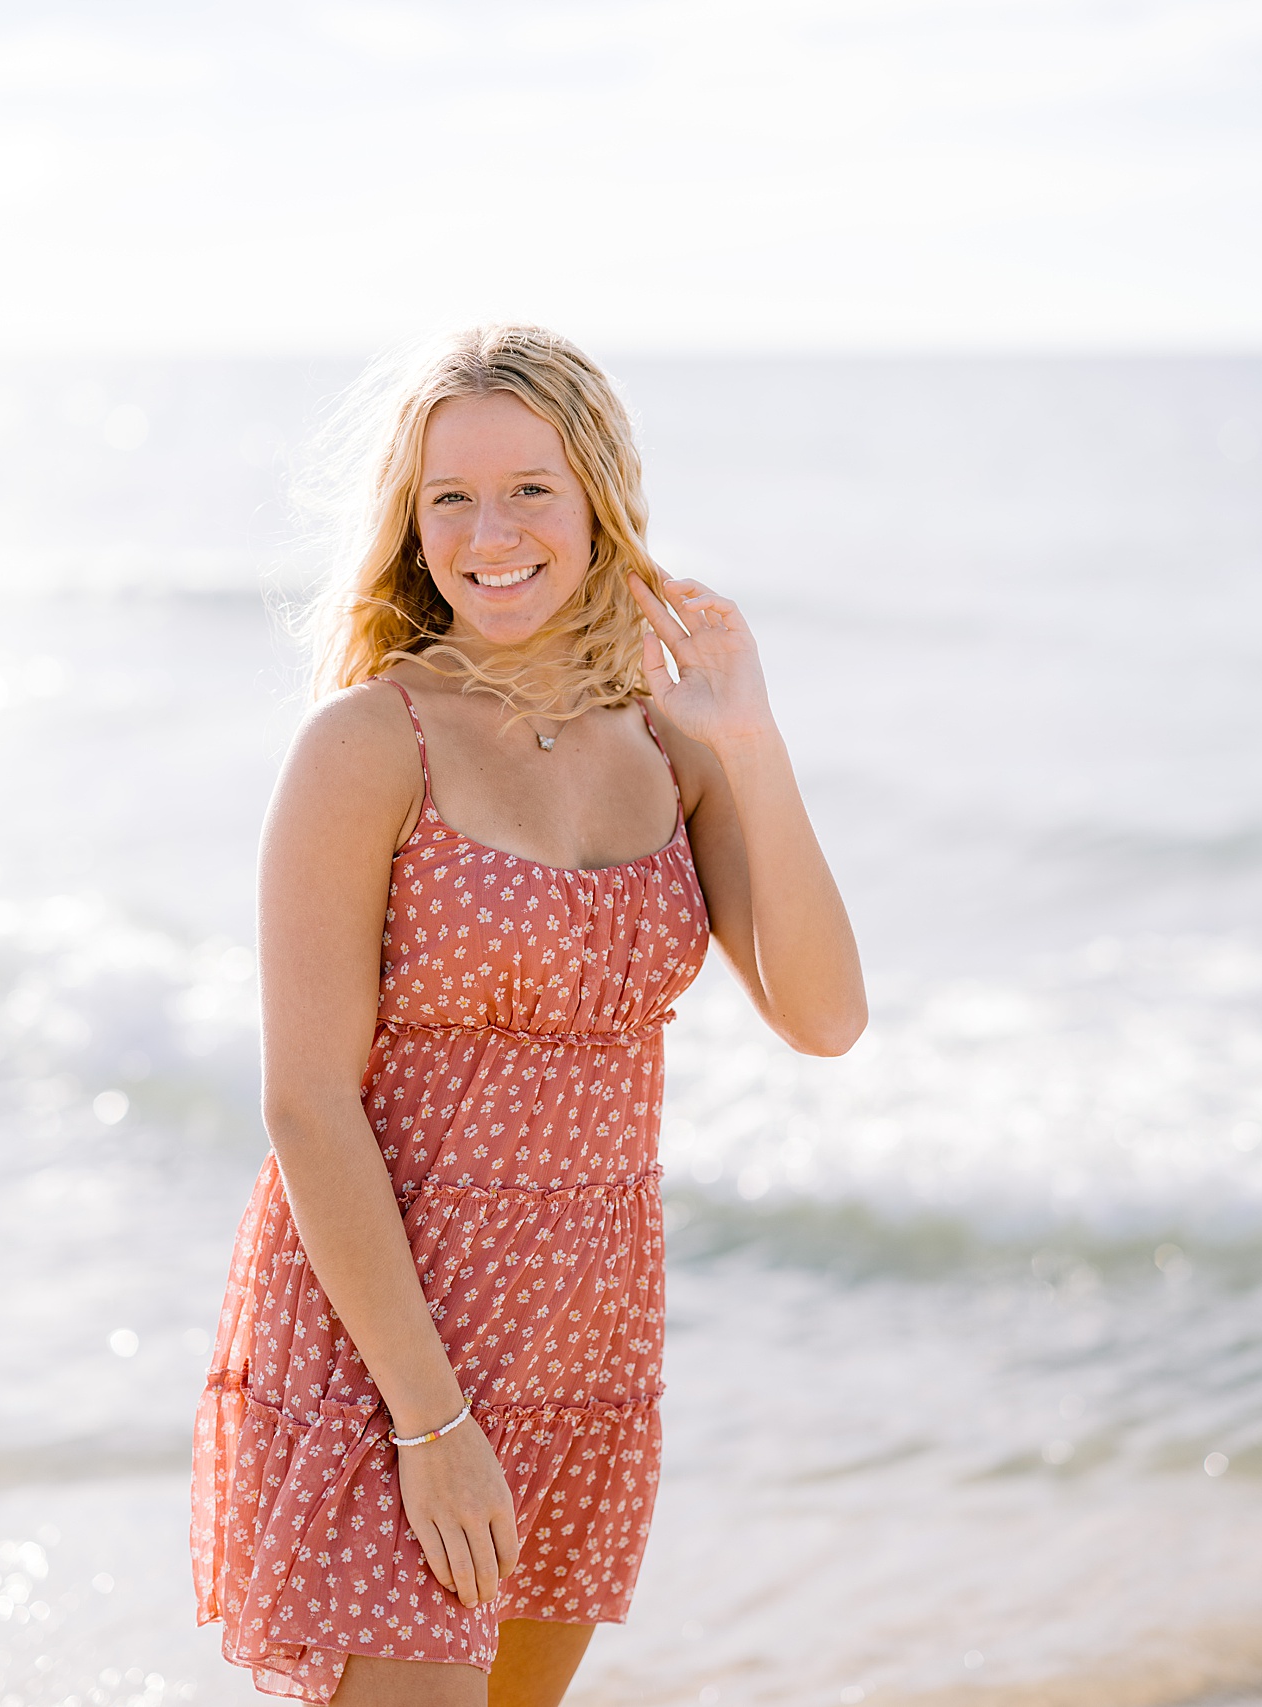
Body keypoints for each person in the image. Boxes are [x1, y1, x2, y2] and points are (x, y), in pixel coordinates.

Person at [190, 324, 866, 1706]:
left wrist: (748, 737)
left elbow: (825, 1015)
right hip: (392, 1352)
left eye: (529, 491)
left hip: (586, 1345)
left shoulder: (669, 740)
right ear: (412, 525)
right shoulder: (372, 744)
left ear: (600, 497)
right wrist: (430, 1419)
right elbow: (306, 1105)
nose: (488, 534)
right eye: (450, 499)